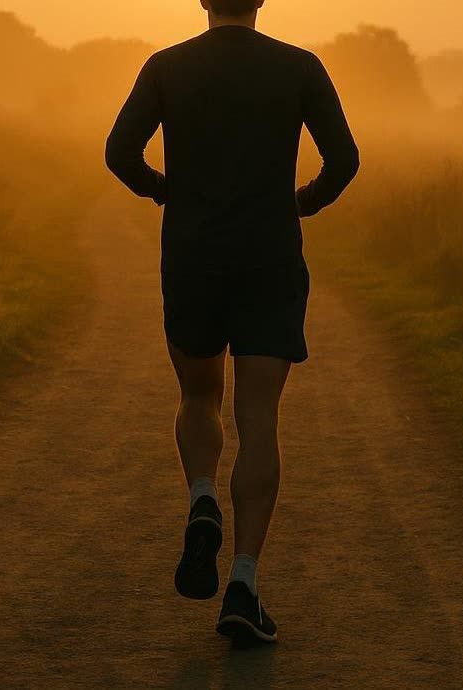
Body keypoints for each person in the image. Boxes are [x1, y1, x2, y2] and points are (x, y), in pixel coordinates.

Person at [105, 0, 359, 643]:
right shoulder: (299, 67)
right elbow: (344, 161)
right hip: (269, 259)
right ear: (261, 1)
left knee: (197, 394)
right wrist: (299, 204)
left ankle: (201, 502)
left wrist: (168, 192)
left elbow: (119, 153)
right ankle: (244, 583)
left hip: (192, 254)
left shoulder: (167, 66)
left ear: (203, 1)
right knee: (259, 420)